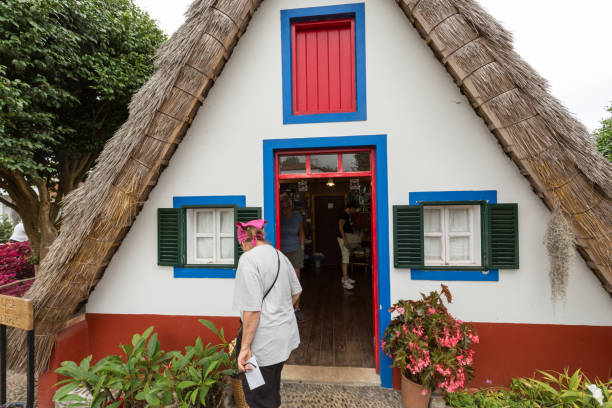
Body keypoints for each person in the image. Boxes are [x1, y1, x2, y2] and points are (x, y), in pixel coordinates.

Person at [232, 219, 302, 408]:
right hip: (283, 339)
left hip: (261, 345)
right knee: (270, 392)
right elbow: (296, 292)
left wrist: (244, 348)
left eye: (242, 246)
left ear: (247, 241)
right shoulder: (279, 255)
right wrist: (278, 309)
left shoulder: (248, 259)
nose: (242, 250)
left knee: (259, 399)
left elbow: (252, 310)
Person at [278, 193, 305, 323]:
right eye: (282, 208)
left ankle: (296, 309)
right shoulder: (278, 217)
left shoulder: (297, 216)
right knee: (282, 282)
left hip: (295, 251)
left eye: (287, 207)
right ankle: (284, 309)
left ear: (290, 205)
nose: (285, 210)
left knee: (296, 281)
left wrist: (302, 247)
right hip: (281, 252)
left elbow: (301, 232)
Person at [337, 200, 359, 290]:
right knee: (345, 259)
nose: (355, 211)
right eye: (355, 209)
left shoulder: (347, 215)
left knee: (347, 258)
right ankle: (345, 281)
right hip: (343, 239)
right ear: (351, 208)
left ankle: (345, 277)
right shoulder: (343, 215)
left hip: (346, 238)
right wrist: (345, 239)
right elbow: (340, 226)